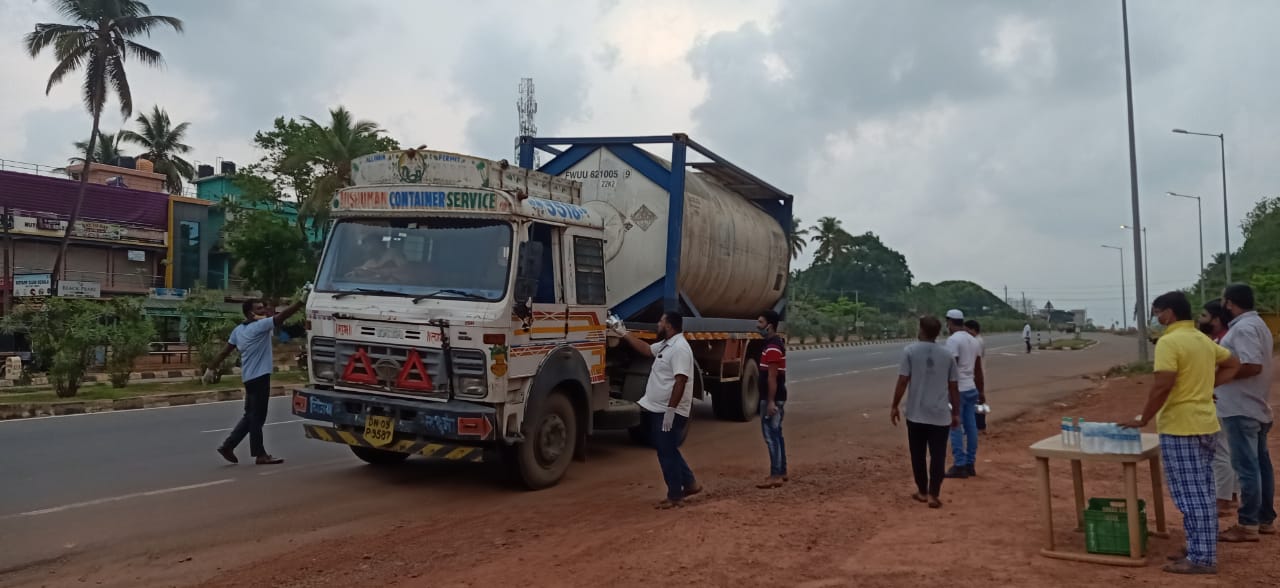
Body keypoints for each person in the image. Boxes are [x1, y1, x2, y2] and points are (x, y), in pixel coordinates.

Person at [1129, 291, 1240, 575]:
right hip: (1205, 424)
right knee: (1203, 489)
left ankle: (1202, 557)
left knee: (1192, 495)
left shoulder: (1169, 342)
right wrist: (1206, 387)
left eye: (1156, 312)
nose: (1155, 318)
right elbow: (1233, 363)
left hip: (1181, 427)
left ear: (1169, 313)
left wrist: (1144, 417)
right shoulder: (1202, 340)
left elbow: (1162, 385)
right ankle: (1199, 547)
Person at [613, 311, 702, 508]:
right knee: (667, 448)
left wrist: (670, 410)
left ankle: (675, 496)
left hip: (668, 411)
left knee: (665, 452)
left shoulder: (680, 348)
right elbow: (646, 350)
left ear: (669, 326)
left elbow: (681, 381)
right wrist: (623, 333)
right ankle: (690, 483)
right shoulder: (665, 345)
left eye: (661, 321)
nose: (658, 324)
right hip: (659, 408)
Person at [207, 293, 307, 465]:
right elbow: (282, 316)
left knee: (250, 416)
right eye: (259, 308)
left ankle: (228, 446)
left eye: (264, 307)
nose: (264, 310)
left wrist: (210, 367)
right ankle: (260, 454)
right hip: (260, 378)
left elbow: (225, 351)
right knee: (257, 418)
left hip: (249, 378)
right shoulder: (260, 326)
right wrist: (300, 302)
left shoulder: (238, 330)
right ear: (250, 314)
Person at [1215, 284, 1276, 542]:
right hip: (1253, 405)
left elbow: (1252, 365)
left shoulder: (1243, 328)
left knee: (1247, 466)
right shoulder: (1257, 325)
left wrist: (1218, 377)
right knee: (1260, 465)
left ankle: (1248, 523)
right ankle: (1263, 519)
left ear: (1229, 303)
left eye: (1223, 302)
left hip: (1241, 406)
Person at [891, 316, 960, 509]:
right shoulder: (947, 355)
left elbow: (903, 380)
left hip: (916, 413)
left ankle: (922, 490)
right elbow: (953, 386)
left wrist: (894, 405)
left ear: (921, 330)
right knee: (938, 455)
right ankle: (934, 494)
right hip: (940, 414)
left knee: (918, 454)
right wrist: (956, 412)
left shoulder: (910, 351)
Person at [1199, 299, 1239, 517]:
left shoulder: (1221, 344)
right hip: (1227, 400)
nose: (1200, 320)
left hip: (1221, 400)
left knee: (1219, 451)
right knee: (1229, 450)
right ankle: (1230, 495)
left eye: (1204, 316)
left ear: (1217, 319)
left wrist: (1207, 385)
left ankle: (1221, 501)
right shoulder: (1221, 339)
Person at [943, 310, 984, 479]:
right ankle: (970, 463)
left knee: (955, 426)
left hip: (957, 389)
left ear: (950, 322)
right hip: (971, 387)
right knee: (971, 426)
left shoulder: (953, 340)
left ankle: (959, 464)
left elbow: (952, 367)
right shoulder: (973, 340)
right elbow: (978, 369)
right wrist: (981, 391)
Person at [756, 310, 788, 489]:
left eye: (760, 322)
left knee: (771, 436)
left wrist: (770, 402)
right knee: (777, 435)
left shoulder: (774, 347)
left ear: (770, 325)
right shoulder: (771, 345)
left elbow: (772, 377)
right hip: (776, 398)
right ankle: (781, 471)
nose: (757, 326)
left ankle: (776, 474)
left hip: (773, 399)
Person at [965, 320, 988, 433]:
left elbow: (975, 361)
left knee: (977, 400)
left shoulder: (976, 342)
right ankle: (980, 424)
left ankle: (979, 424)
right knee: (978, 399)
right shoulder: (978, 340)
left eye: (967, 330)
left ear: (973, 329)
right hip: (976, 374)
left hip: (975, 375)